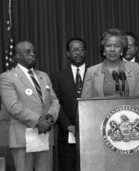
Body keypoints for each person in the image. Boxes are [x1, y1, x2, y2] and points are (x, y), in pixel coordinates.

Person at [0, 41, 59, 171]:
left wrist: (49, 119)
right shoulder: (7, 77)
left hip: (44, 135)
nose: (32, 54)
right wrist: (39, 122)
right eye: (28, 52)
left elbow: (55, 101)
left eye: (34, 52)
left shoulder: (44, 76)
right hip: (23, 137)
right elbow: (13, 106)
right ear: (17, 56)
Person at [51, 38, 87, 171]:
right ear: (67, 53)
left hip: (92, 131)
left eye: (82, 49)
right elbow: (55, 104)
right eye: (74, 50)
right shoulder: (58, 76)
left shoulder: (95, 73)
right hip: (67, 134)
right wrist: (68, 125)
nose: (78, 53)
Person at [81, 28, 139, 98]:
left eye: (117, 46)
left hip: (129, 108)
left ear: (122, 50)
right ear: (103, 50)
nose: (112, 49)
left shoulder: (135, 68)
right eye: (108, 46)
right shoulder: (92, 72)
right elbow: (84, 102)